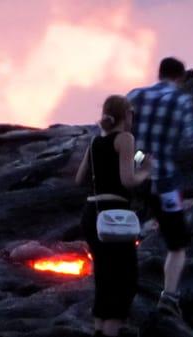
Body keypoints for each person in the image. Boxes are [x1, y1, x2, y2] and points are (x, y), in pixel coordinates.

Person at [127, 57, 193, 317]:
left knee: (125, 233)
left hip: (134, 173)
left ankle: (121, 287)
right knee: (177, 242)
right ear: (180, 78)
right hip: (164, 180)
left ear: (159, 74)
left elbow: (116, 126)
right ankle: (169, 296)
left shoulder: (137, 94)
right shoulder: (181, 100)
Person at [75, 95, 152, 337]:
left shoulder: (95, 142)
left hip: (92, 214)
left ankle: (100, 329)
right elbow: (128, 181)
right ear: (126, 114)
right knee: (125, 278)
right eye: (131, 114)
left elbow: (79, 179)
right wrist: (145, 171)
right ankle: (112, 331)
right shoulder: (126, 139)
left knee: (104, 275)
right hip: (114, 216)